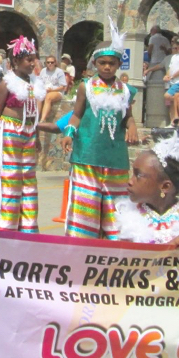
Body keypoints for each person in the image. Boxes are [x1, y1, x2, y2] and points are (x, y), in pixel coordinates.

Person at [61, 17, 139, 240]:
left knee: (116, 212)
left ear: (118, 65)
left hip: (115, 159)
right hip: (87, 155)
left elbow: (129, 118)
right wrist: (69, 133)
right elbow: (77, 114)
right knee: (85, 211)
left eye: (111, 63)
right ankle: (80, 250)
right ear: (95, 64)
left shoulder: (126, 91)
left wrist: (132, 127)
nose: (107, 67)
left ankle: (113, 251)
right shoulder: (86, 87)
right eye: (102, 63)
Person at [0, 35, 45, 233]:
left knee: (28, 178)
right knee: (10, 178)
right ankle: (6, 227)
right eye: (28, 59)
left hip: (28, 131)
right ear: (15, 62)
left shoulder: (35, 83)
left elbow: (34, 113)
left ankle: (29, 228)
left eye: (34, 59)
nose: (33, 63)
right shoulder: (8, 83)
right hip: (10, 132)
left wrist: (36, 135)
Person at [115, 132, 179, 247]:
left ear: (165, 187)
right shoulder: (127, 215)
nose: (130, 181)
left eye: (138, 175)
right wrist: (168, 247)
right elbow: (123, 260)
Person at [37, 55, 67, 122]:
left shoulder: (59, 72)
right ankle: (36, 118)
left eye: (52, 62)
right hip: (45, 90)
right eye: (48, 62)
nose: (50, 64)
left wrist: (52, 90)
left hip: (57, 91)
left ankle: (43, 119)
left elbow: (63, 86)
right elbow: (39, 82)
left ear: (55, 63)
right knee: (37, 97)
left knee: (48, 97)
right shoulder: (43, 71)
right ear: (45, 63)